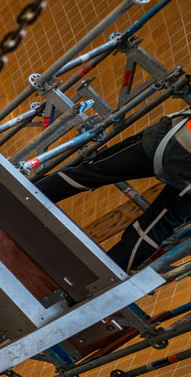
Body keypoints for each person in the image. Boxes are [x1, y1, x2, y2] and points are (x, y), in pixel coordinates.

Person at [35, 109, 191, 271]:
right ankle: (103, 282)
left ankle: (25, 196)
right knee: (154, 230)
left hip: (173, 142)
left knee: (91, 172)